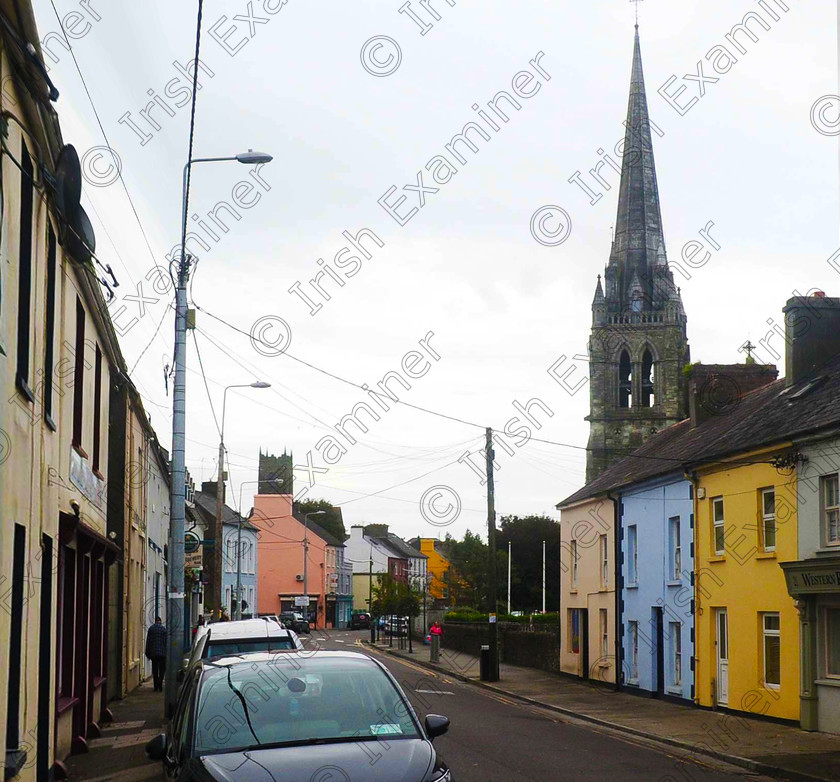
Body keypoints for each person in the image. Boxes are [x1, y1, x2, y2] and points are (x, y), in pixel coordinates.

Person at [145, 617, 168, 692]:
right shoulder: (164, 630)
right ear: (160, 622)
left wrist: (147, 653)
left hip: (154, 653)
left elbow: (148, 641)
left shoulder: (151, 629)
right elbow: (166, 642)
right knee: (162, 669)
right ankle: (160, 683)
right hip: (162, 653)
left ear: (155, 621)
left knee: (155, 670)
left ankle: (155, 686)